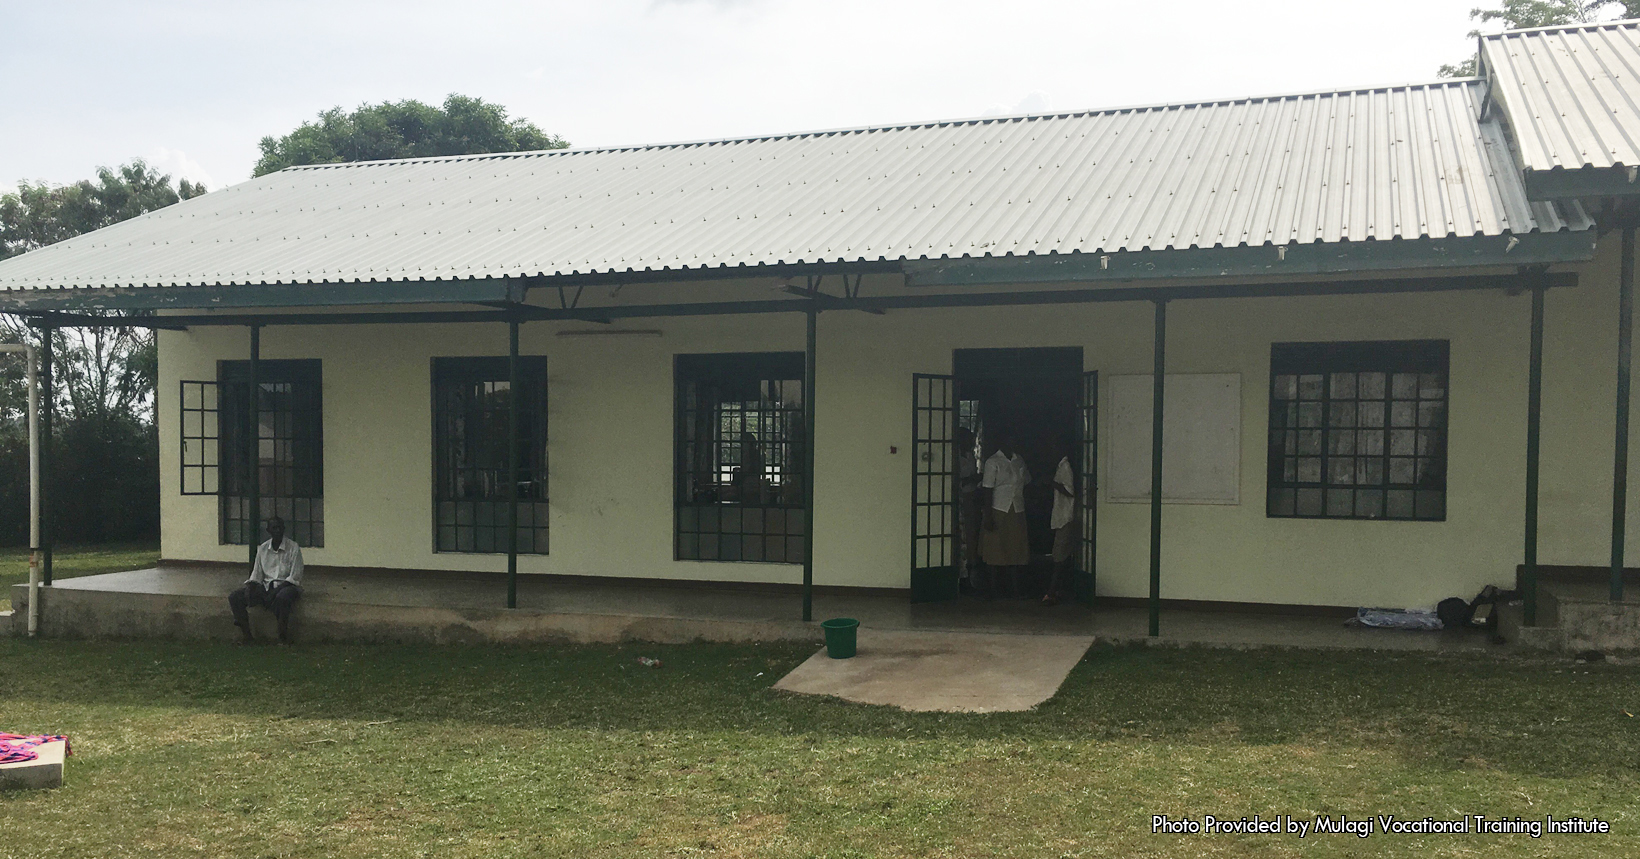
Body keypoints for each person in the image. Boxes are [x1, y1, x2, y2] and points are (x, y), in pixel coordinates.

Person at [229, 517, 305, 645]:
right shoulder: (262, 549)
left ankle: (282, 638)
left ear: (284, 529)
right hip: (266, 587)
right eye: (274, 528)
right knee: (235, 597)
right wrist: (251, 587)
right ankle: (247, 636)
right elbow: (256, 574)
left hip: (286, 587)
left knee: (282, 597)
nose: (277, 531)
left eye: (280, 527)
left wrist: (274, 592)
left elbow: (294, 577)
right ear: (268, 530)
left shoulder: (293, 548)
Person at [980, 429, 1031, 598]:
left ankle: (1015, 589)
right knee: (995, 548)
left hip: (1017, 507)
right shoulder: (993, 462)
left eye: (1014, 440)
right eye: (1009, 440)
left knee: (1016, 547)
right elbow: (987, 490)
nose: (1012, 444)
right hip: (998, 508)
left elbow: (1027, 482)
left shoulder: (1019, 461)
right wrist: (988, 516)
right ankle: (994, 589)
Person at [1042, 442, 1077, 606]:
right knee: (1062, 555)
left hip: (1065, 517)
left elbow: (1070, 492)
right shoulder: (1061, 466)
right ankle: (1058, 590)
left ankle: (1051, 591)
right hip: (1062, 516)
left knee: (1059, 556)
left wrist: (1054, 483)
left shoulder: (1065, 467)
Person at [955, 426, 981, 592]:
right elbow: (957, 482)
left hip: (971, 499)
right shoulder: (956, 457)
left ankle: (971, 574)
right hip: (962, 499)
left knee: (972, 538)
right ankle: (963, 577)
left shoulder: (970, 456)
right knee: (963, 539)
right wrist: (972, 478)